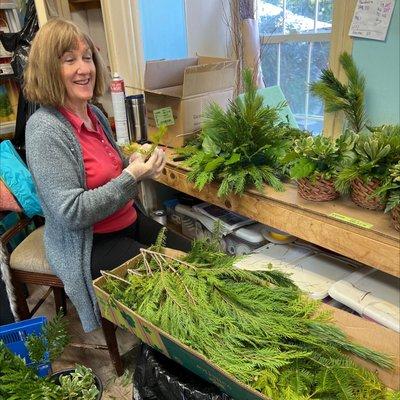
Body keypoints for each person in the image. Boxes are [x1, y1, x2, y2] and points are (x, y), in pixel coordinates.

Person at [23, 18, 167, 332]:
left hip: (127, 221)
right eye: (69, 60)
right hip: (90, 243)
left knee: (191, 258)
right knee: (171, 289)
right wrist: (131, 176)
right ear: (48, 68)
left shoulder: (94, 113)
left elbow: (109, 166)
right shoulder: (44, 130)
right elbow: (72, 212)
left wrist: (134, 160)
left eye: (87, 57)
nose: (84, 68)